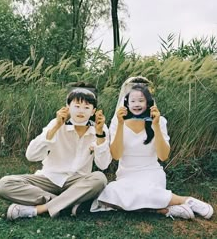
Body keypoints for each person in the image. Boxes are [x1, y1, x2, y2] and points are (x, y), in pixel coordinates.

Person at [91, 76, 214, 220]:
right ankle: (165, 209)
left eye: (141, 101)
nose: (137, 104)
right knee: (110, 192)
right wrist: (120, 124)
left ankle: (186, 200)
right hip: (126, 174)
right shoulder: (117, 122)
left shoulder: (159, 121)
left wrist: (155, 125)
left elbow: (163, 156)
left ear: (148, 102)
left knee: (143, 192)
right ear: (126, 103)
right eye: (133, 101)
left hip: (151, 173)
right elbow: (116, 156)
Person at [0, 82, 112, 220]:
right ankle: (69, 204)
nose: (81, 111)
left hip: (77, 182)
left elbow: (104, 165)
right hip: (49, 179)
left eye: (86, 107)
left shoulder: (100, 128)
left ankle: (40, 209)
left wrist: (100, 135)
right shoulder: (56, 123)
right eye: (76, 106)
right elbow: (31, 155)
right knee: (5, 184)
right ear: (68, 107)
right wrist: (57, 126)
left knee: (100, 179)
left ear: (93, 111)